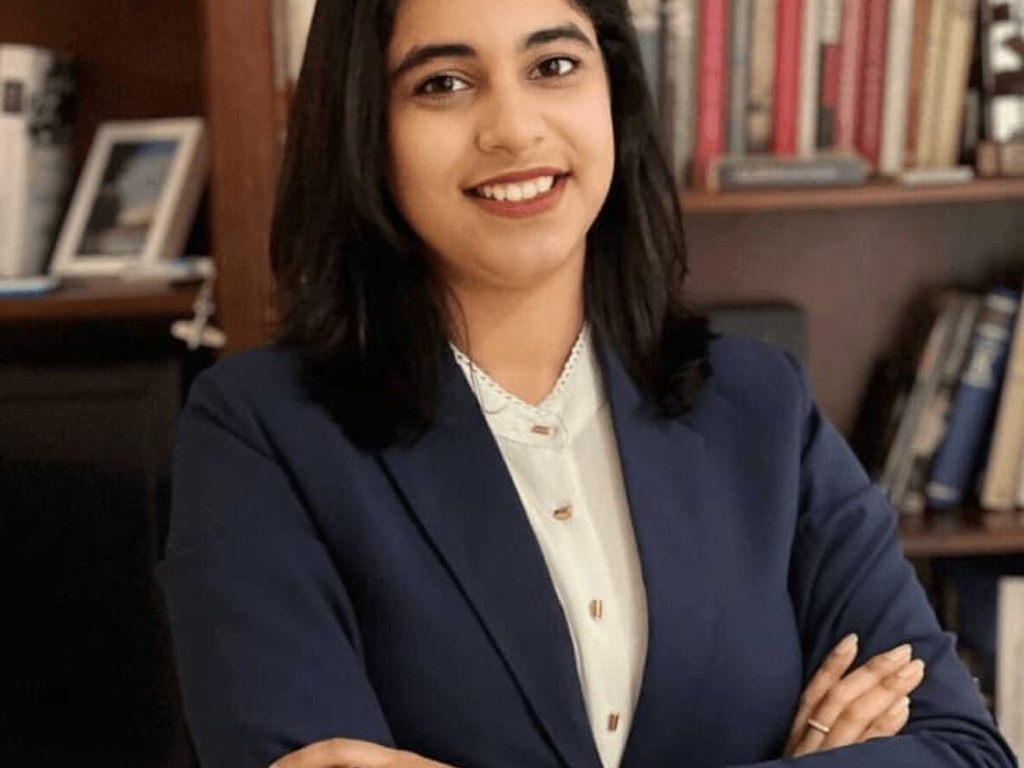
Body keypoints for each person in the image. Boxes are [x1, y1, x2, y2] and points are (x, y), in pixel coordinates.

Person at [157, 0, 1017, 767]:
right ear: (364, 129)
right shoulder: (259, 435)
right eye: (445, 83)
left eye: (554, 66)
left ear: (614, 95)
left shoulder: (760, 404)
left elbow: (962, 749)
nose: (515, 128)